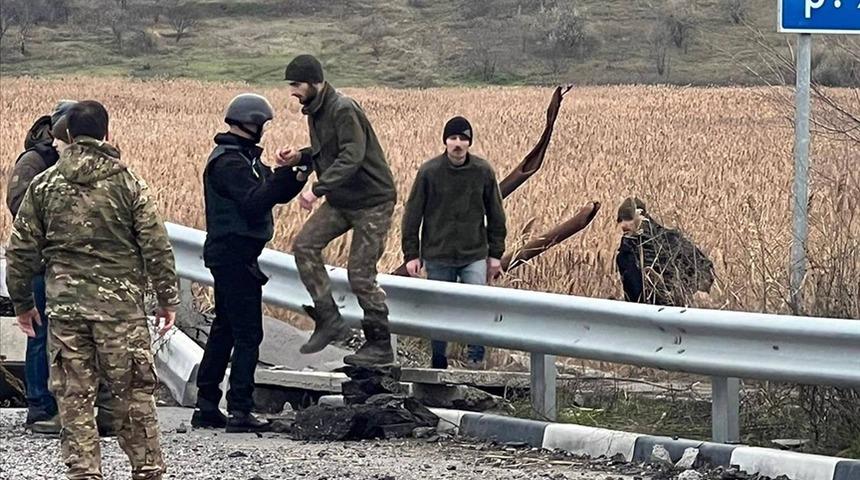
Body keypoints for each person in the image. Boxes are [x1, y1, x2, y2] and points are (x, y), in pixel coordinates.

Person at [6, 100, 179, 480]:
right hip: (121, 314)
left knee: (74, 398)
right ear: (107, 134)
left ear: (65, 135)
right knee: (134, 394)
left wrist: (22, 303)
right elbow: (156, 246)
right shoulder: (129, 183)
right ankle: (147, 470)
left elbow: (19, 251)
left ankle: (84, 473)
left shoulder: (44, 186)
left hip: (67, 312)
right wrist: (168, 300)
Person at [193, 93, 308, 433]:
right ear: (251, 123)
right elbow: (255, 201)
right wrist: (285, 176)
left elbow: (272, 191)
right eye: (263, 125)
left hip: (234, 255)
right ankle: (240, 409)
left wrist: (299, 170)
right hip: (233, 256)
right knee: (248, 334)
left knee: (225, 329)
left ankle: (207, 405)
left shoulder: (242, 158)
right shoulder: (229, 163)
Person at [277, 54, 398, 366]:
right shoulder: (315, 111)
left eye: (297, 84)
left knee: (360, 275)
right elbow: (325, 152)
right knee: (304, 245)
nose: (293, 91)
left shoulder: (343, 108)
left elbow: (352, 155)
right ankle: (329, 318)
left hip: (372, 201)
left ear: (316, 82)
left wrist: (317, 189)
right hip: (343, 200)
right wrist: (300, 158)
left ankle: (380, 344)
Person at [5, 101, 116, 436]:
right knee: (40, 333)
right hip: (43, 261)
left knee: (77, 336)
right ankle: (40, 405)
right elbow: (18, 204)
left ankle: (77, 405)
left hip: (75, 265)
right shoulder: (35, 161)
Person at [401, 116, 507, 369]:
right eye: (453, 138)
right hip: (438, 253)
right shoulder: (429, 172)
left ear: (469, 142)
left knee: (475, 305)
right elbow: (412, 214)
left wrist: (495, 255)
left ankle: (475, 357)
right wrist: (411, 254)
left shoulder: (483, 171)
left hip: (473, 253)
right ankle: (439, 359)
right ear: (445, 141)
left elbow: (496, 214)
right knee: (439, 309)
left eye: (463, 138)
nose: (458, 143)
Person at [615, 197, 714, 306]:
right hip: (642, 315)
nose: (623, 225)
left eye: (628, 218)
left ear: (641, 214)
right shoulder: (624, 255)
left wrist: (692, 291)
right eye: (620, 220)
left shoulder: (670, 239)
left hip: (675, 311)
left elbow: (704, 268)